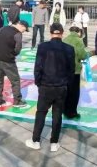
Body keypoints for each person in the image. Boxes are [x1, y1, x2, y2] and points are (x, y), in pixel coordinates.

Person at [26, 23, 75, 152]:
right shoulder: (69, 49)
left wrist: (38, 83)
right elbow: (71, 70)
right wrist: (67, 84)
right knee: (57, 114)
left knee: (41, 113)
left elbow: (38, 67)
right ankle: (54, 142)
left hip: (45, 85)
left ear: (51, 33)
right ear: (62, 33)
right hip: (61, 86)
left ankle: (36, 140)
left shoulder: (42, 47)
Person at [0, 20, 29, 108]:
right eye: (25, 29)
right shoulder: (18, 34)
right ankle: (17, 101)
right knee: (15, 80)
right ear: (21, 26)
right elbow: (18, 48)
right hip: (8, 61)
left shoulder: (3, 28)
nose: (24, 31)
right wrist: (13, 54)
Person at [62, 25, 88, 119]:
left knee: (66, 91)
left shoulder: (65, 39)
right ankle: (72, 112)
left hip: (64, 70)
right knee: (74, 92)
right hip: (75, 70)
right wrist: (89, 54)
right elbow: (82, 55)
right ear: (79, 32)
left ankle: (64, 110)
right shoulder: (78, 41)